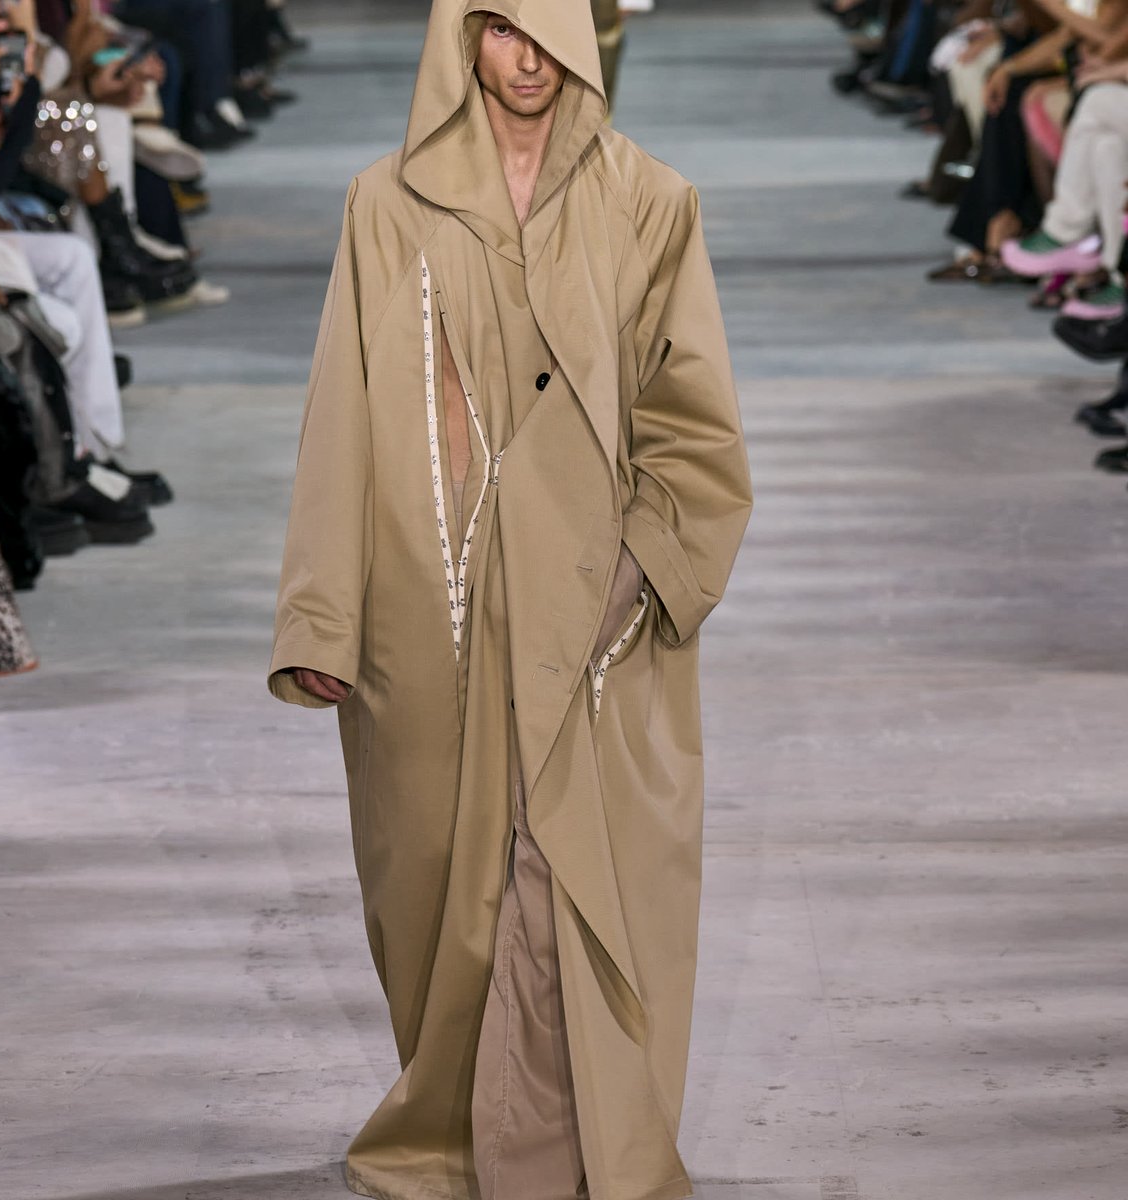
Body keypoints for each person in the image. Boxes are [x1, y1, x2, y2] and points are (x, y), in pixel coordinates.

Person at [267, 3, 752, 1199]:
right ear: (460, 37)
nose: (526, 60)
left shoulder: (652, 202)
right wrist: (323, 616)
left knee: (583, 882)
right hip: (428, 610)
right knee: (443, 890)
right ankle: (455, 1134)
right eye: (498, 29)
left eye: (546, 31)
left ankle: (575, 1149)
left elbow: (694, 427)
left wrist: (639, 577)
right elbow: (341, 415)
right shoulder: (386, 206)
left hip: (599, 617)